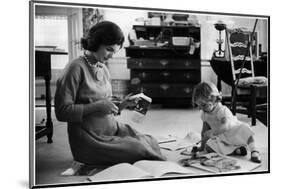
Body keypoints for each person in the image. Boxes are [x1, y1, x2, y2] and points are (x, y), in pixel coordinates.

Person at [54, 21, 165, 167]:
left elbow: (107, 105)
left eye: (115, 51)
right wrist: (98, 106)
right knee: (139, 148)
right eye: (109, 50)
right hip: (90, 138)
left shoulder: (103, 68)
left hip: (111, 129)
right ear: (95, 43)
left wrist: (124, 104)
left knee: (150, 141)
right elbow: (62, 112)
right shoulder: (75, 68)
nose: (111, 56)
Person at [192, 81, 261, 163]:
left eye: (204, 105)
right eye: (199, 106)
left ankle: (254, 150)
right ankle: (236, 150)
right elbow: (204, 131)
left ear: (214, 99)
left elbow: (226, 126)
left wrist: (212, 131)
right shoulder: (204, 114)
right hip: (221, 137)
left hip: (233, 131)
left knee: (245, 128)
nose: (201, 109)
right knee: (209, 147)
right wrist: (202, 146)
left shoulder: (221, 110)